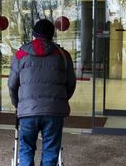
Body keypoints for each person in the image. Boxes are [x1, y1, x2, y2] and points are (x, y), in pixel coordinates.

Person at [8, 19, 76, 166]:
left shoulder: (20, 55)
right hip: (54, 111)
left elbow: (12, 85)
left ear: (33, 35)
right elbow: (70, 85)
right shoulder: (63, 55)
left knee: (26, 149)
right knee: (51, 151)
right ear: (52, 36)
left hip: (27, 111)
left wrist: (18, 105)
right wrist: (59, 101)